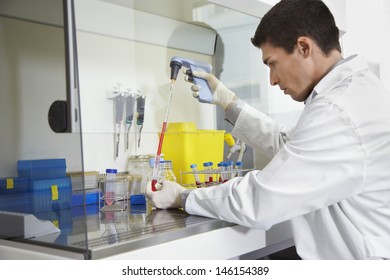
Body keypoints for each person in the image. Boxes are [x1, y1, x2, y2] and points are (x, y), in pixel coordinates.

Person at [146, 0, 390, 260]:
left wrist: (184, 197)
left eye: (272, 64)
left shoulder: (338, 110)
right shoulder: (353, 93)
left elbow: (260, 200)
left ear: (304, 47)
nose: (272, 80)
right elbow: (292, 147)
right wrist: (229, 103)